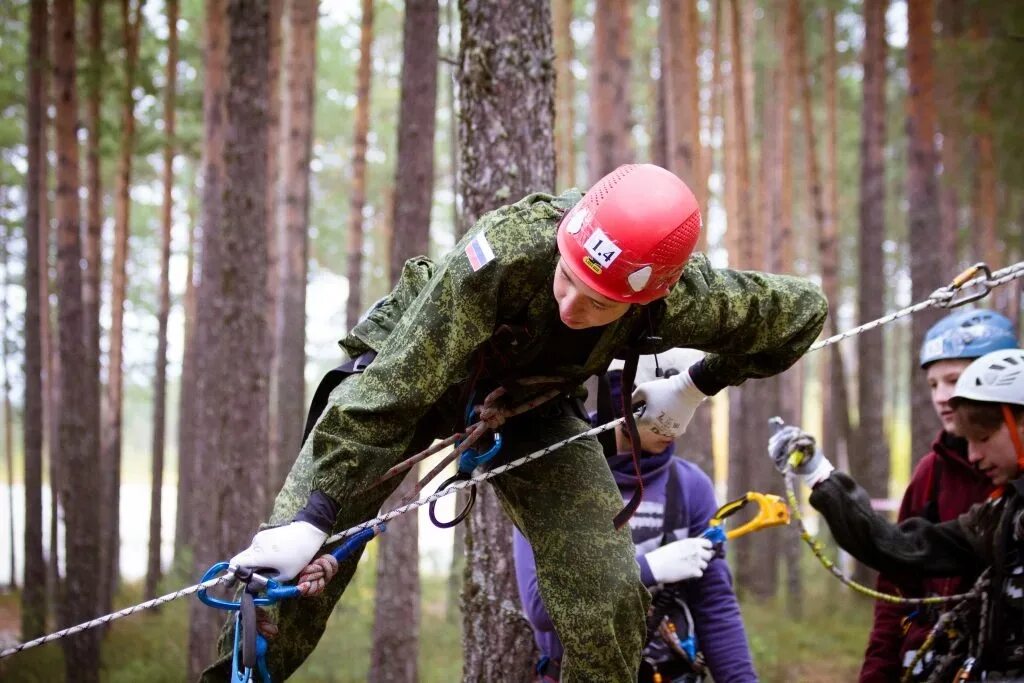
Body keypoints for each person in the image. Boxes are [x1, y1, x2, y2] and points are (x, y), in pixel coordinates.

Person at [207, 163, 827, 682]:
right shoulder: (502, 252)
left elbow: (803, 312)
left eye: (597, 303)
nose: (568, 303)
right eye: (566, 277)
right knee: (278, 580)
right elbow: (387, 395)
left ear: (646, 298)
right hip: (414, 374)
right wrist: (312, 517)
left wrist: (695, 385)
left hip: (532, 407)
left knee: (610, 594)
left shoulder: (687, 296)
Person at [769, 347, 1024, 681]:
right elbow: (903, 548)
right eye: (967, 442)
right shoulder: (1000, 515)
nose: (973, 456)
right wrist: (819, 474)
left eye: (983, 438)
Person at [514, 349, 758, 682]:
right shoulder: (555, 481)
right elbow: (542, 608)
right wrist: (649, 569)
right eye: (668, 409)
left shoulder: (690, 488)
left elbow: (715, 606)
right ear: (624, 398)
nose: (678, 428)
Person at [861, 309, 1018, 682]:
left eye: (955, 379)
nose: (943, 397)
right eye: (933, 385)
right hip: (930, 661)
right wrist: (877, 672)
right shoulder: (931, 473)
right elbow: (894, 586)